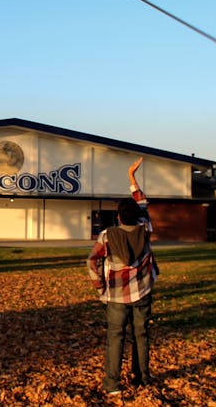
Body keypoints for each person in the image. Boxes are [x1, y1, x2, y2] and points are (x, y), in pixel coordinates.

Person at [87, 157, 159, 396]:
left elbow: (92, 260)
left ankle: (112, 385)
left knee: (115, 339)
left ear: (118, 216)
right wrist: (132, 177)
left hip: (116, 296)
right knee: (142, 335)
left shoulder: (107, 236)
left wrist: (100, 287)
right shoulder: (145, 229)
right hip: (143, 292)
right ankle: (142, 378)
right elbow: (143, 203)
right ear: (136, 216)